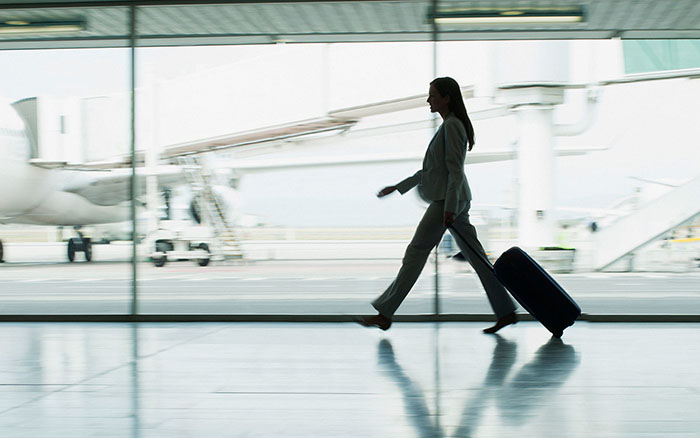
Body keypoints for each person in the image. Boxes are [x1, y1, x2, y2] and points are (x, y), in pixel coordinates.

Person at [356, 77, 518, 334]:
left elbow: (455, 171)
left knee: (416, 253)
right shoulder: (449, 126)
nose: (428, 100)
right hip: (453, 200)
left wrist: (450, 209)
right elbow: (431, 171)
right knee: (476, 259)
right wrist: (398, 187)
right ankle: (506, 311)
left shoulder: (452, 126)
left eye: (433, 95)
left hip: (447, 201)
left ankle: (385, 313)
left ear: (446, 98)